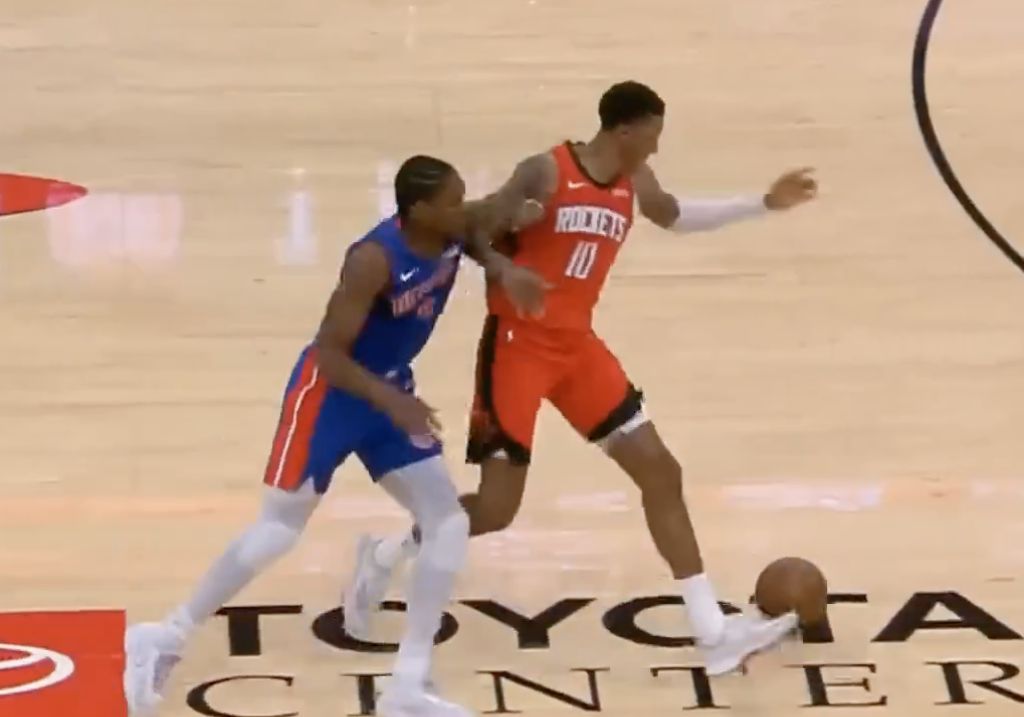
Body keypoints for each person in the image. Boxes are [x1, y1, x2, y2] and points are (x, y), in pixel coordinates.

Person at [345, 81, 819, 677]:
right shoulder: (545, 172)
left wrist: (764, 203)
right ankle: (386, 554)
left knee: (661, 471)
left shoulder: (635, 178)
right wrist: (506, 258)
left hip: (576, 348)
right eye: (652, 134)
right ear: (624, 130)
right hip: (517, 348)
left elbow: (673, 215)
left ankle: (712, 632)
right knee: (495, 509)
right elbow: (471, 227)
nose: (656, 147)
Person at [122, 154, 547, 717]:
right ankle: (164, 636)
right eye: (451, 200)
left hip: (390, 393)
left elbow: (478, 228)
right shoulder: (372, 259)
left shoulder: (450, 230)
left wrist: (500, 263)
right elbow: (328, 353)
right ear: (420, 210)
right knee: (279, 528)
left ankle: (408, 684)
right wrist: (393, 401)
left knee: (447, 522)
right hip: (331, 395)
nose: (461, 207)